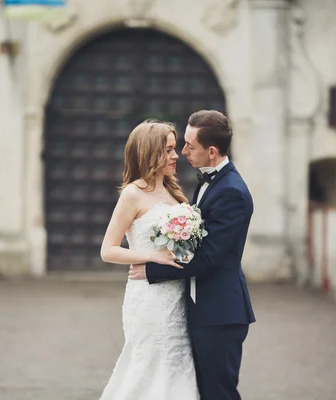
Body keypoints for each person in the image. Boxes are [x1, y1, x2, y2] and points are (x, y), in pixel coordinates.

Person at [129, 110, 256, 400]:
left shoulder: (232, 192)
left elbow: (209, 258)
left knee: (219, 393)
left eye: (189, 146)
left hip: (221, 314)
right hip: (203, 309)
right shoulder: (209, 182)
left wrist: (152, 271)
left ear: (212, 152)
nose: (183, 152)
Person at [99, 120, 199, 399]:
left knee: (176, 365)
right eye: (168, 150)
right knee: (147, 366)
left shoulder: (173, 192)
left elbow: (181, 250)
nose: (175, 155)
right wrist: (152, 256)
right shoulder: (133, 194)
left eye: (175, 148)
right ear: (149, 152)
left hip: (177, 298)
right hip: (148, 299)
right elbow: (108, 250)